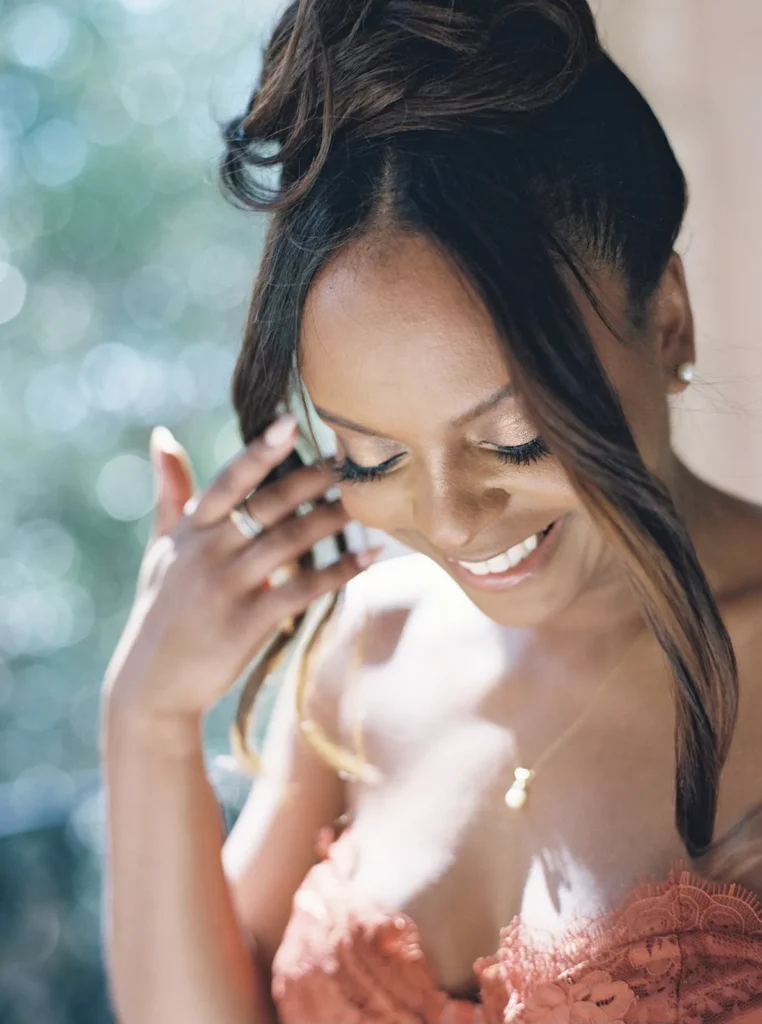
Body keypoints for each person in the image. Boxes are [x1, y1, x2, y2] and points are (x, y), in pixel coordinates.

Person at [100, 1, 762, 1022]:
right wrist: (147, 718)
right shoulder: (368, 649)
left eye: (515, 440)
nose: (452, 521)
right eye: (373, 456)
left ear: (667, 321)